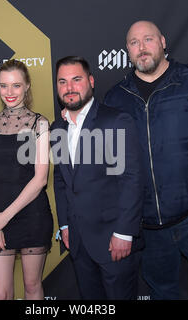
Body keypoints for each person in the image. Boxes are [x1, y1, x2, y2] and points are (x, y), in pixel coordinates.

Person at [104, 21, 188, 300]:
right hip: (149, 226)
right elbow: (111, 161)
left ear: (163, 42)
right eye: (134, 42)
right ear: (127, 51)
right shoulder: (116, 97)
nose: (142, 48)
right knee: (162, 293)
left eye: (148, 39)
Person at [51, 56, 144, 300]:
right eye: (62, 82)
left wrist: (124, 232)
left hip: (114, 240)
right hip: (79, 243)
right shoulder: (57, 129)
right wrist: (65, 225)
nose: (69, 88)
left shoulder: (114, 120)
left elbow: (130, 179)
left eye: (76, 79)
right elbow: (61, 181)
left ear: (91, 81)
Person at [0, 59, 53, 300]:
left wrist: (4, 218)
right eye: (3, 86)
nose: (9, 93)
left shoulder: (39, 124)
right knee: (1, 294)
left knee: (32, 287)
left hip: (32, 215)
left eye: (16, 86)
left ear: (27, 86)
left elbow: (40, 179)